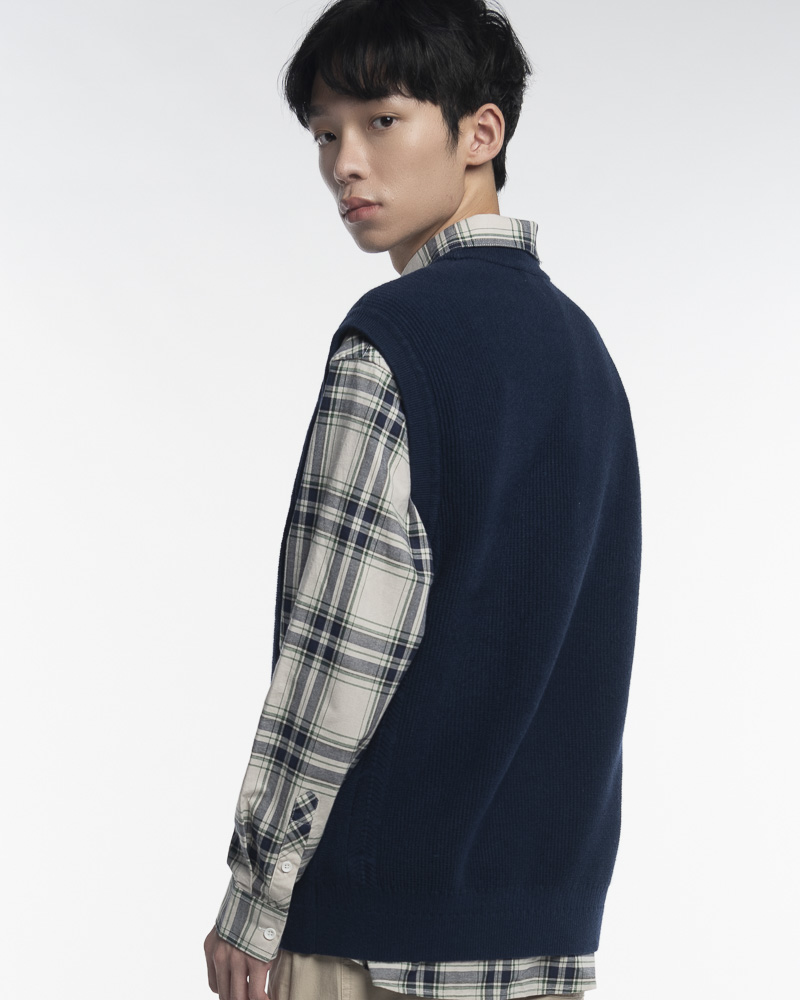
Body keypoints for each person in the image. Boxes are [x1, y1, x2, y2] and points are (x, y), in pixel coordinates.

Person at [203, 1, 642, 998]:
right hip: (542, 935)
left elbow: (340, 649)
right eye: (325, 134)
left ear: (480, 132)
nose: (344, 164)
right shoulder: (584, 354)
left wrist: (255, 895)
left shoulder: (397, 340)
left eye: (380, 120)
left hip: (371, 936)